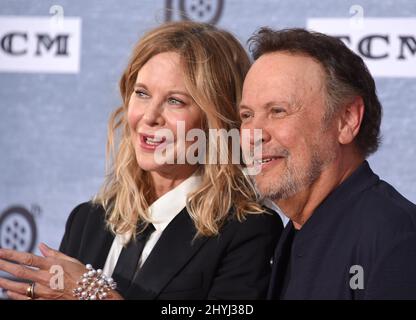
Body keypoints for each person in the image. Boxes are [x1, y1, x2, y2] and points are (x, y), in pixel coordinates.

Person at [0, 22, 283, 300]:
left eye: (175, 101)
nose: (149, 116)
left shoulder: (248, 230)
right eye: (142, 93)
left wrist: (94, 295)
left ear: (217, 119)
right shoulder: (88, 220)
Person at [239, 27, 416, 299]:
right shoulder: (292, 236)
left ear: (346, 120)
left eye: (278, 111)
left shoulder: (397, 242)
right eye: (247, 115)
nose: (254, 134)